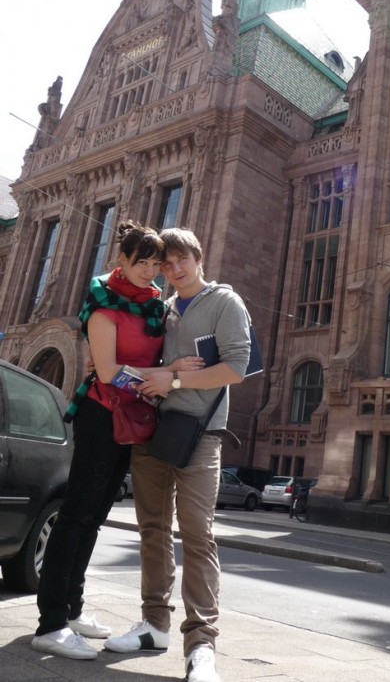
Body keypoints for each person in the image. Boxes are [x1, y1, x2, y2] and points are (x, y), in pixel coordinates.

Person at [32, 221, 199, 660]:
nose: (148, 271)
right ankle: (49, 623)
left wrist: (168, 371)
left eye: (153, 264)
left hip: (131, 420)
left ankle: (71, 609)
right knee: (75, 514)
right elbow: (108, 374)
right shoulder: (105, 306)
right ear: (120, 261)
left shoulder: (151, 305)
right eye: (139, 262)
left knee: (95, 516)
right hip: (101, 415)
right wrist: (168, 372)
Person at [104, 227, 252, 682]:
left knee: (196, 533)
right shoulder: (161, 310)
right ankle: (154, 625)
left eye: (181, 259)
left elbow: (237, 368)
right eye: (165, 264)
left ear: (198, 257)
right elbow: (143, 365)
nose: (174, 269)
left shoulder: (225, 302)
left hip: (201, 434)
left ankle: (201, 646)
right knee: (151, 528)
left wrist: (178, 382)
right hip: (152, 428)